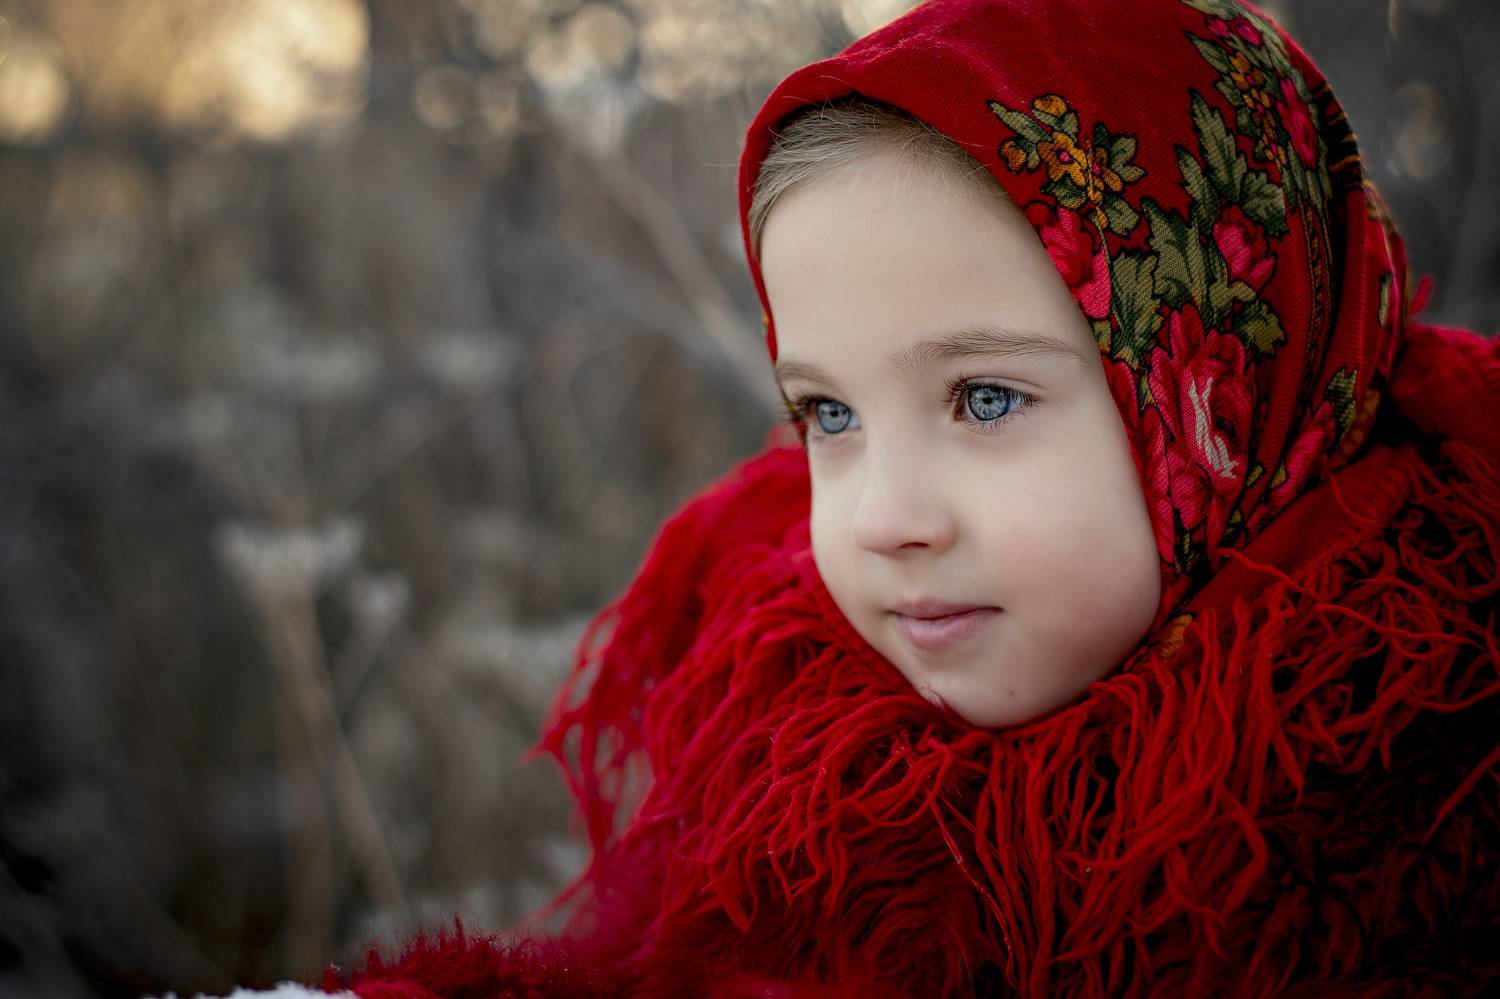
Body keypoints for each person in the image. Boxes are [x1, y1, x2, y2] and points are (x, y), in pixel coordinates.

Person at [320, 0, 1500, 995]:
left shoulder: (1428, 805)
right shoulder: (790, 784)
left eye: (984, 399)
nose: (883, 518)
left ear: (1231, 377)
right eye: (828, 415)